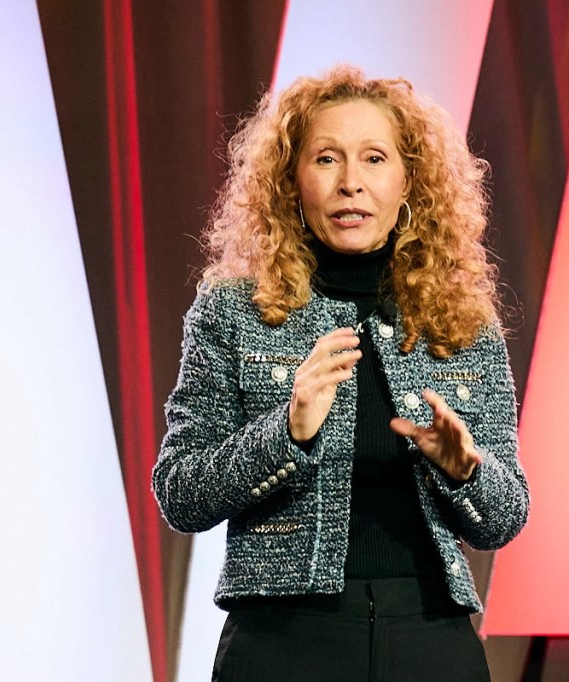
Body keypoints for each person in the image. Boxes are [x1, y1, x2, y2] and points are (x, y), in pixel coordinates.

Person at [152, 64, 529, 682]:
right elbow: (181, 494)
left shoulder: (459, 321)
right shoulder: (232, 312)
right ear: (291, 181)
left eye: (375, 159)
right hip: (284, 640)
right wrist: (287, 431)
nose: (351, 183)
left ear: (410, 182)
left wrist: (466, 471)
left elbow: (506, 516)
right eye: (327, 159)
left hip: (430, 636)